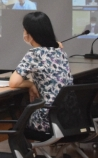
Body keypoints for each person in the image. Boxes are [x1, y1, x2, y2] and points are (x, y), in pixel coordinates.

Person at [9, 12, 72, 141]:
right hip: (69, 118)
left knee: (14, 127)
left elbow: (13, 83)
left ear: (30, 35)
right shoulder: (60, 52)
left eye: (24, 30)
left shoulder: (34, 53)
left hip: (47, 121)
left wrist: (30, 84)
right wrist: (32, 83)